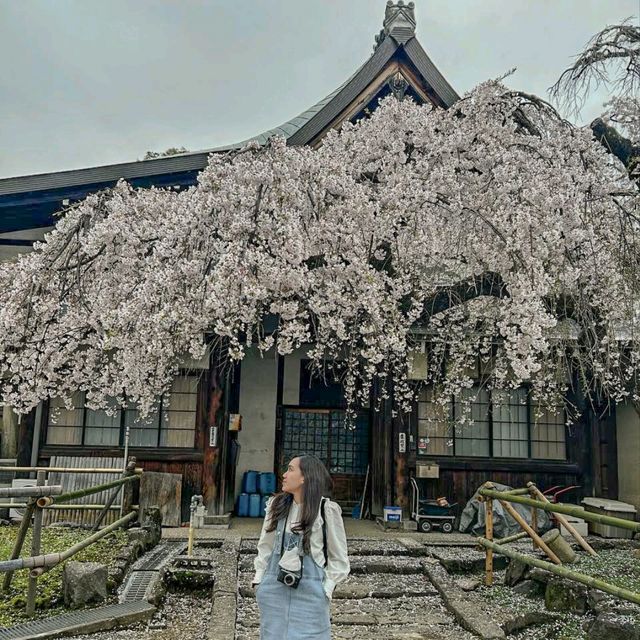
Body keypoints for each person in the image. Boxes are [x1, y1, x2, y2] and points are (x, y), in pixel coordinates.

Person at [252, 454, 350, 639]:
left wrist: (326, 590)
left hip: (311, 595)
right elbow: (265, 547)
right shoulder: (276, 506)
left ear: (305, 477)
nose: (284, 474)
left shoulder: (326, 510)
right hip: (274, 592)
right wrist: (259, 582)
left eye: (290, 469)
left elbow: (339, 559)